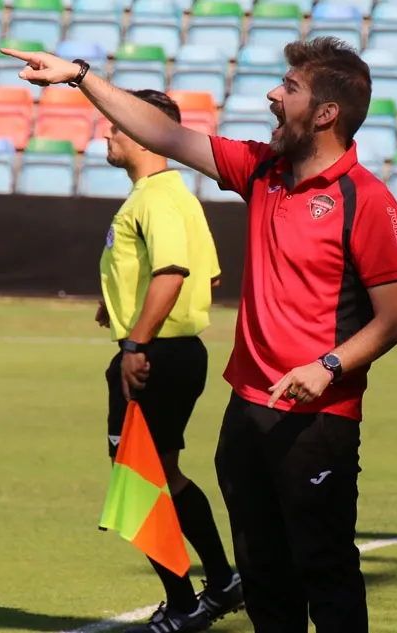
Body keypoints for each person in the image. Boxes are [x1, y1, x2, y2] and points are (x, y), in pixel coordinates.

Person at [3, 36, 397, 633]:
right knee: (265, 574)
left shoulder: (368, 201)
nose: (273, 93)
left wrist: (325, 367)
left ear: (326, 114)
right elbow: (164, 134)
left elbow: (393, 319)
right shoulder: (261, 169)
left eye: (290, 88)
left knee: (325, 572)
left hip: (319, 420)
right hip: (245, 414)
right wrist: (80, 77)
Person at [94, 89, 243, 633]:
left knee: (137, 481)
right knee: (167, 472)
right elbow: (210, 276)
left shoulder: (153, 198)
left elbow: (173, 272)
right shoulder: (180, 195)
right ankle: (224, 581)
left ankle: (183, 606)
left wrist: (135, 342)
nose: (106, 134)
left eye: (112, 125)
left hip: (152, 358)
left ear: (138, 130)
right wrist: (118, 305)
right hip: (180, 353)